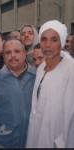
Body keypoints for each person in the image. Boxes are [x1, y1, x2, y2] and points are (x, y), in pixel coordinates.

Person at [26, 20, 74, 148]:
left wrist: (62, 141)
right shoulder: (41, 68)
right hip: (37, 134)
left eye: (54, 40)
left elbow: (70, 114)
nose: (48, 45)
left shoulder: (70, 70)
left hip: (59, 139)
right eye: (43, 39)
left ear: (62, 42)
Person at [0, 39, 36, 148]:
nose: (12, 55)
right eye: (8, 52)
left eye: (17, 51)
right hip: (5, 142)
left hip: (33, 140)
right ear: (3, 57)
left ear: (24, 54)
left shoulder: (37, 76)